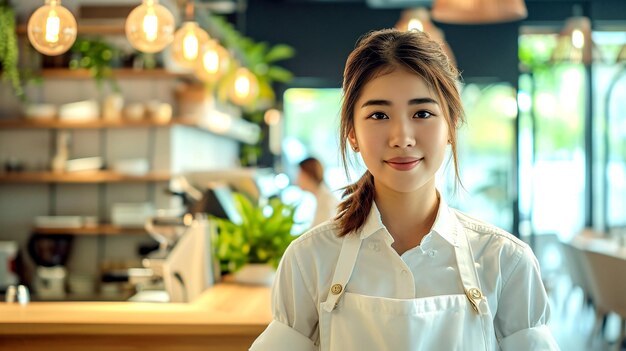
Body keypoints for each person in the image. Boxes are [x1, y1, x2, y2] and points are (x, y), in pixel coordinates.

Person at [250, 28, 559, 350]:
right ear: (352, 134)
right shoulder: (309, 259)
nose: (402, 137)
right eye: (379, 115)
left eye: (422, 113)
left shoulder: (505, 260)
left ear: (450, 128)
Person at [295, 157, 339, 227]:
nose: (296, 180)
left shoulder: (326, 200)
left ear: (308, 175)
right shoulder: (322, 196)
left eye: (300, 174)